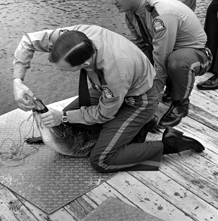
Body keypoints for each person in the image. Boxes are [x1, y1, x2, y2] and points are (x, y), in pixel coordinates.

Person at [13, 24, 204, 172]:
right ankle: (138, 127)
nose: (59, 71)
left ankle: (168, 144)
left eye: (64, 69)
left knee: (102, 160)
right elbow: (28, 41)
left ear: (86, 63)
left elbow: (103, 114)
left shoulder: (117, 69)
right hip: (103, 89)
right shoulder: (71, 38)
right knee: (67, 121)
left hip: (137, 100)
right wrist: (17, 81)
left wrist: (62, 118)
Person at [102, 0, 212, 128]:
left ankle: (180, 105)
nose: (113, 2)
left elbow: (162, 58)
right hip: (167, 51)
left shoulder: (161, 14)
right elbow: (138, 49)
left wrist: (150, 98)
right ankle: (171, 87)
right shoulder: (130, 11)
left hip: (197, 56)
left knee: (176, 62)